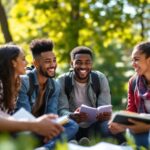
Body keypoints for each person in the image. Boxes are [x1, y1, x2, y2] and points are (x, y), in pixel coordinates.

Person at [16, 39, 79, 149]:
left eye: (54, 60)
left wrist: (51, 129)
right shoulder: (24, 82)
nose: (53, 65)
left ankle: (46, 147)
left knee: (72, 125)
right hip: (25, 128)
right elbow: (24, 116)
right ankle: (55, 145)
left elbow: (52, 115)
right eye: (47, 61)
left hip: (42, 130)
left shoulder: (54, 86)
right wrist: (44, 128)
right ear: (35, 63)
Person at [56, 46, 125, 143]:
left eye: (87, 62)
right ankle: (74, 143)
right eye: (78, 62)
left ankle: (121, 145)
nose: (83, 66)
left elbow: (104, 106)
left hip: (95, 125)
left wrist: (104, 115)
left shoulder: (100, 78)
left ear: (91, 64)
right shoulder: (62, 80)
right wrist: (72, 115)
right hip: (73, 123)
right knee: (69, 125)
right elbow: (61, 110)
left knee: (109, 125)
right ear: (72, 64)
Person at [0, 44, 63, 142]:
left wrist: (45, 126)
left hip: (13, 130)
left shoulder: (15, 84)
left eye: (54, 60)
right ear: (13, 62)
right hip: (9, 135)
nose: (27, 62)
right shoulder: (6, 84)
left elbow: (5, 115)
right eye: (23, 59)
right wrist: (35, 125)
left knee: (69, 125)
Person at [109, 41, 150, 149]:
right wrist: (121, 123)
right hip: (138, 131)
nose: (132, 64)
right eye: (132, 60)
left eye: (136, 59)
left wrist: (146, 127)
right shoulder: (133, 82)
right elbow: (132, 111)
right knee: (128, 133)